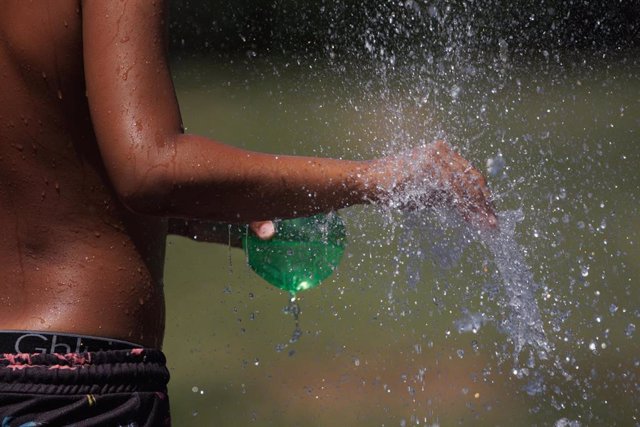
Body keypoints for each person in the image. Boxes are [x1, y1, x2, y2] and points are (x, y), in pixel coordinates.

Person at [0, 1, 496, 425]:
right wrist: (378, 179)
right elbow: (151, 169)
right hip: (78, 388)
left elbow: (43, 159)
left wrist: (200, 214)